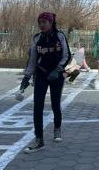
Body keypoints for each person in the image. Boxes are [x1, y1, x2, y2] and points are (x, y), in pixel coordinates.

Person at [19, 11, 68, 152]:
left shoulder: (59, 36)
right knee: (37, 106)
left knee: (55, 104)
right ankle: (39, 139)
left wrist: (58, 70)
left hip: (56, 75)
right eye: (39, 22)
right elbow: (32, 60)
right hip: (41, 75)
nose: (41, 25)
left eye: (44, 22)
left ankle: (57, 127)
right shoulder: (37, 38)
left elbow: (66, 55)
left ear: (51, 23)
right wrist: (26, 78)